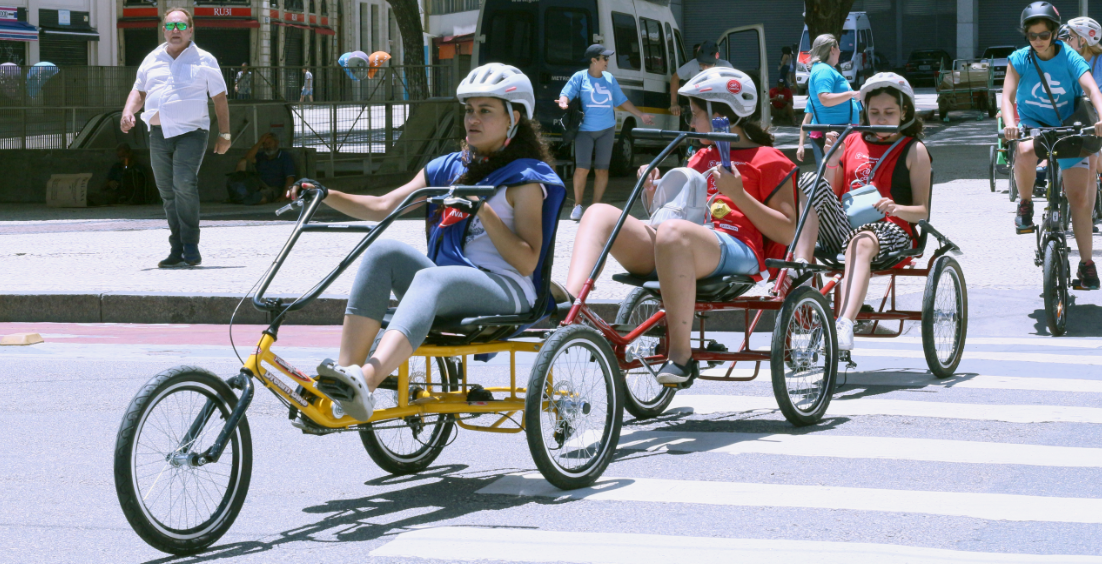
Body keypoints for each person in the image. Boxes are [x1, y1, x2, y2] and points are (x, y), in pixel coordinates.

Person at [287, 63, 563, 422]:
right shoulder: (448, 168)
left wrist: (483, 210)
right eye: (469, 110)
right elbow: (383, 207)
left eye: (485, 111)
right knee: (384, 252)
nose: (472, 120)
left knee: (432, 278)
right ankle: (344, 381)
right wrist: (325, 194)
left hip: (508, 288)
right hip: (451, 283)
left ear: (514, 119)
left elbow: (527, 262)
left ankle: (366, 380)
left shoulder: (525, 180)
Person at [564, 67, 801, 383]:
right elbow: (673, 214)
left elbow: (786, 231)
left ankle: (681, 354)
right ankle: (569, 305)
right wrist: (653, 191)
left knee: (674, 234)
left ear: (723, 115)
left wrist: (739, 196)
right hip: (679, 240)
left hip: (735, 247)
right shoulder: (701, 156)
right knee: (599, 214)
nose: (689, 122)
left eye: (695, 114)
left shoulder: (770, 159)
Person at [796, 73, 932, 350]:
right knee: (808, 180)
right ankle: (800, 269)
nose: (881, 118)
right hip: (845, 225)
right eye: (874, 112)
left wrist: (895, 207)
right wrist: (833, 159)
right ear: (865, 112)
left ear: (904, 111)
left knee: (861, 239)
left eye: (889, 112)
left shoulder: (914, 149)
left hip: (892, 228)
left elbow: (922, 212)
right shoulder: (853, 141)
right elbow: (830, 193)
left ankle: (845, 322)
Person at [120, 7, 230, 268]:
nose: (176, 31)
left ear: (191, 30)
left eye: (181, 26)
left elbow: (219, 98)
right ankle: (177, 246)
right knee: (167, 191)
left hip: (192, 132)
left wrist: (225, 133)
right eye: (170, 26)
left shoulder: (205, 59)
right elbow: (139, 91)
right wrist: (127, 111)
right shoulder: (152, 58)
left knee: (183, 183)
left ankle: (191, 244)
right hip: (158, 133)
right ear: (163, 30)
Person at [1003, 2, 1102, 290]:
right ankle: (1025, 204)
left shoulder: (1069, 56)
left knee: (1080, 200)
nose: (1038, 41)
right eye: (1032, 35)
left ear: (1055, 33)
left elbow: (1092, 89)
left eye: (1044, 34)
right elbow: (1007, 97)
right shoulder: (1019, 59)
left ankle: (1086, 266)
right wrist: (1010, 124)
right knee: (1023, 150)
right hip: (1035, 124)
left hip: (1070, 125)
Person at [557, 44, 654, 220]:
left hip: (607, 130)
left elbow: (622, 100)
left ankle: (595, 207)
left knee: (602, 170)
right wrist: (564, 102)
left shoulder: (609, 78)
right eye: (605, 58)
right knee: (582, 169)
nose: (608, 61)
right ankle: (577, 205)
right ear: (594, 60)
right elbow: (566, 93)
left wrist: (641, 115)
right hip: (585, 131)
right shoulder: (580, 77)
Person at [797, 34, 861, 168]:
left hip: (839, 131)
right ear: (832, 49)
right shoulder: (823, 70)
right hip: (834, 132)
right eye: (838, 47)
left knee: (839, 176)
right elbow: (825, 99)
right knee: (835, 176)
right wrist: (851, 94)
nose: (840, 51)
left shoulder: (825, 69)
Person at [1060, 16, 1102, 217]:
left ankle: (1088, 212)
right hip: (1072, 117)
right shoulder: (1064, 59)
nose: (1066, 40)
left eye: (1070, 37)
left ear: (1082, 40)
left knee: (1094, 164)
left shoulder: (1100, 61)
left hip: (1096, 119)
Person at [669, 40, 734, 117]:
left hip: (719, 106)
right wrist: (674, 103)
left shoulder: (725, 66)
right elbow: (675, 77)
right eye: (702, 64)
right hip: (697, 106)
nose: (705, 68)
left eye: (708, 65)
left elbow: (735, 84)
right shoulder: (693, 64)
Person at [230, 132, 296, 205]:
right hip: (258, 184)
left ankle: (246, 198)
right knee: (242, 163)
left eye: (269, 143)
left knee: (262, 198)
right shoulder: (261, 156)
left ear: (276, 143)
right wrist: (259, 142)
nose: (267, 146)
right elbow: (247, 159)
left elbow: (290, 178)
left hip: (273, 187)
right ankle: (238, 194)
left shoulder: (284, 157)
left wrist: (284, 196)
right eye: (264, 144)